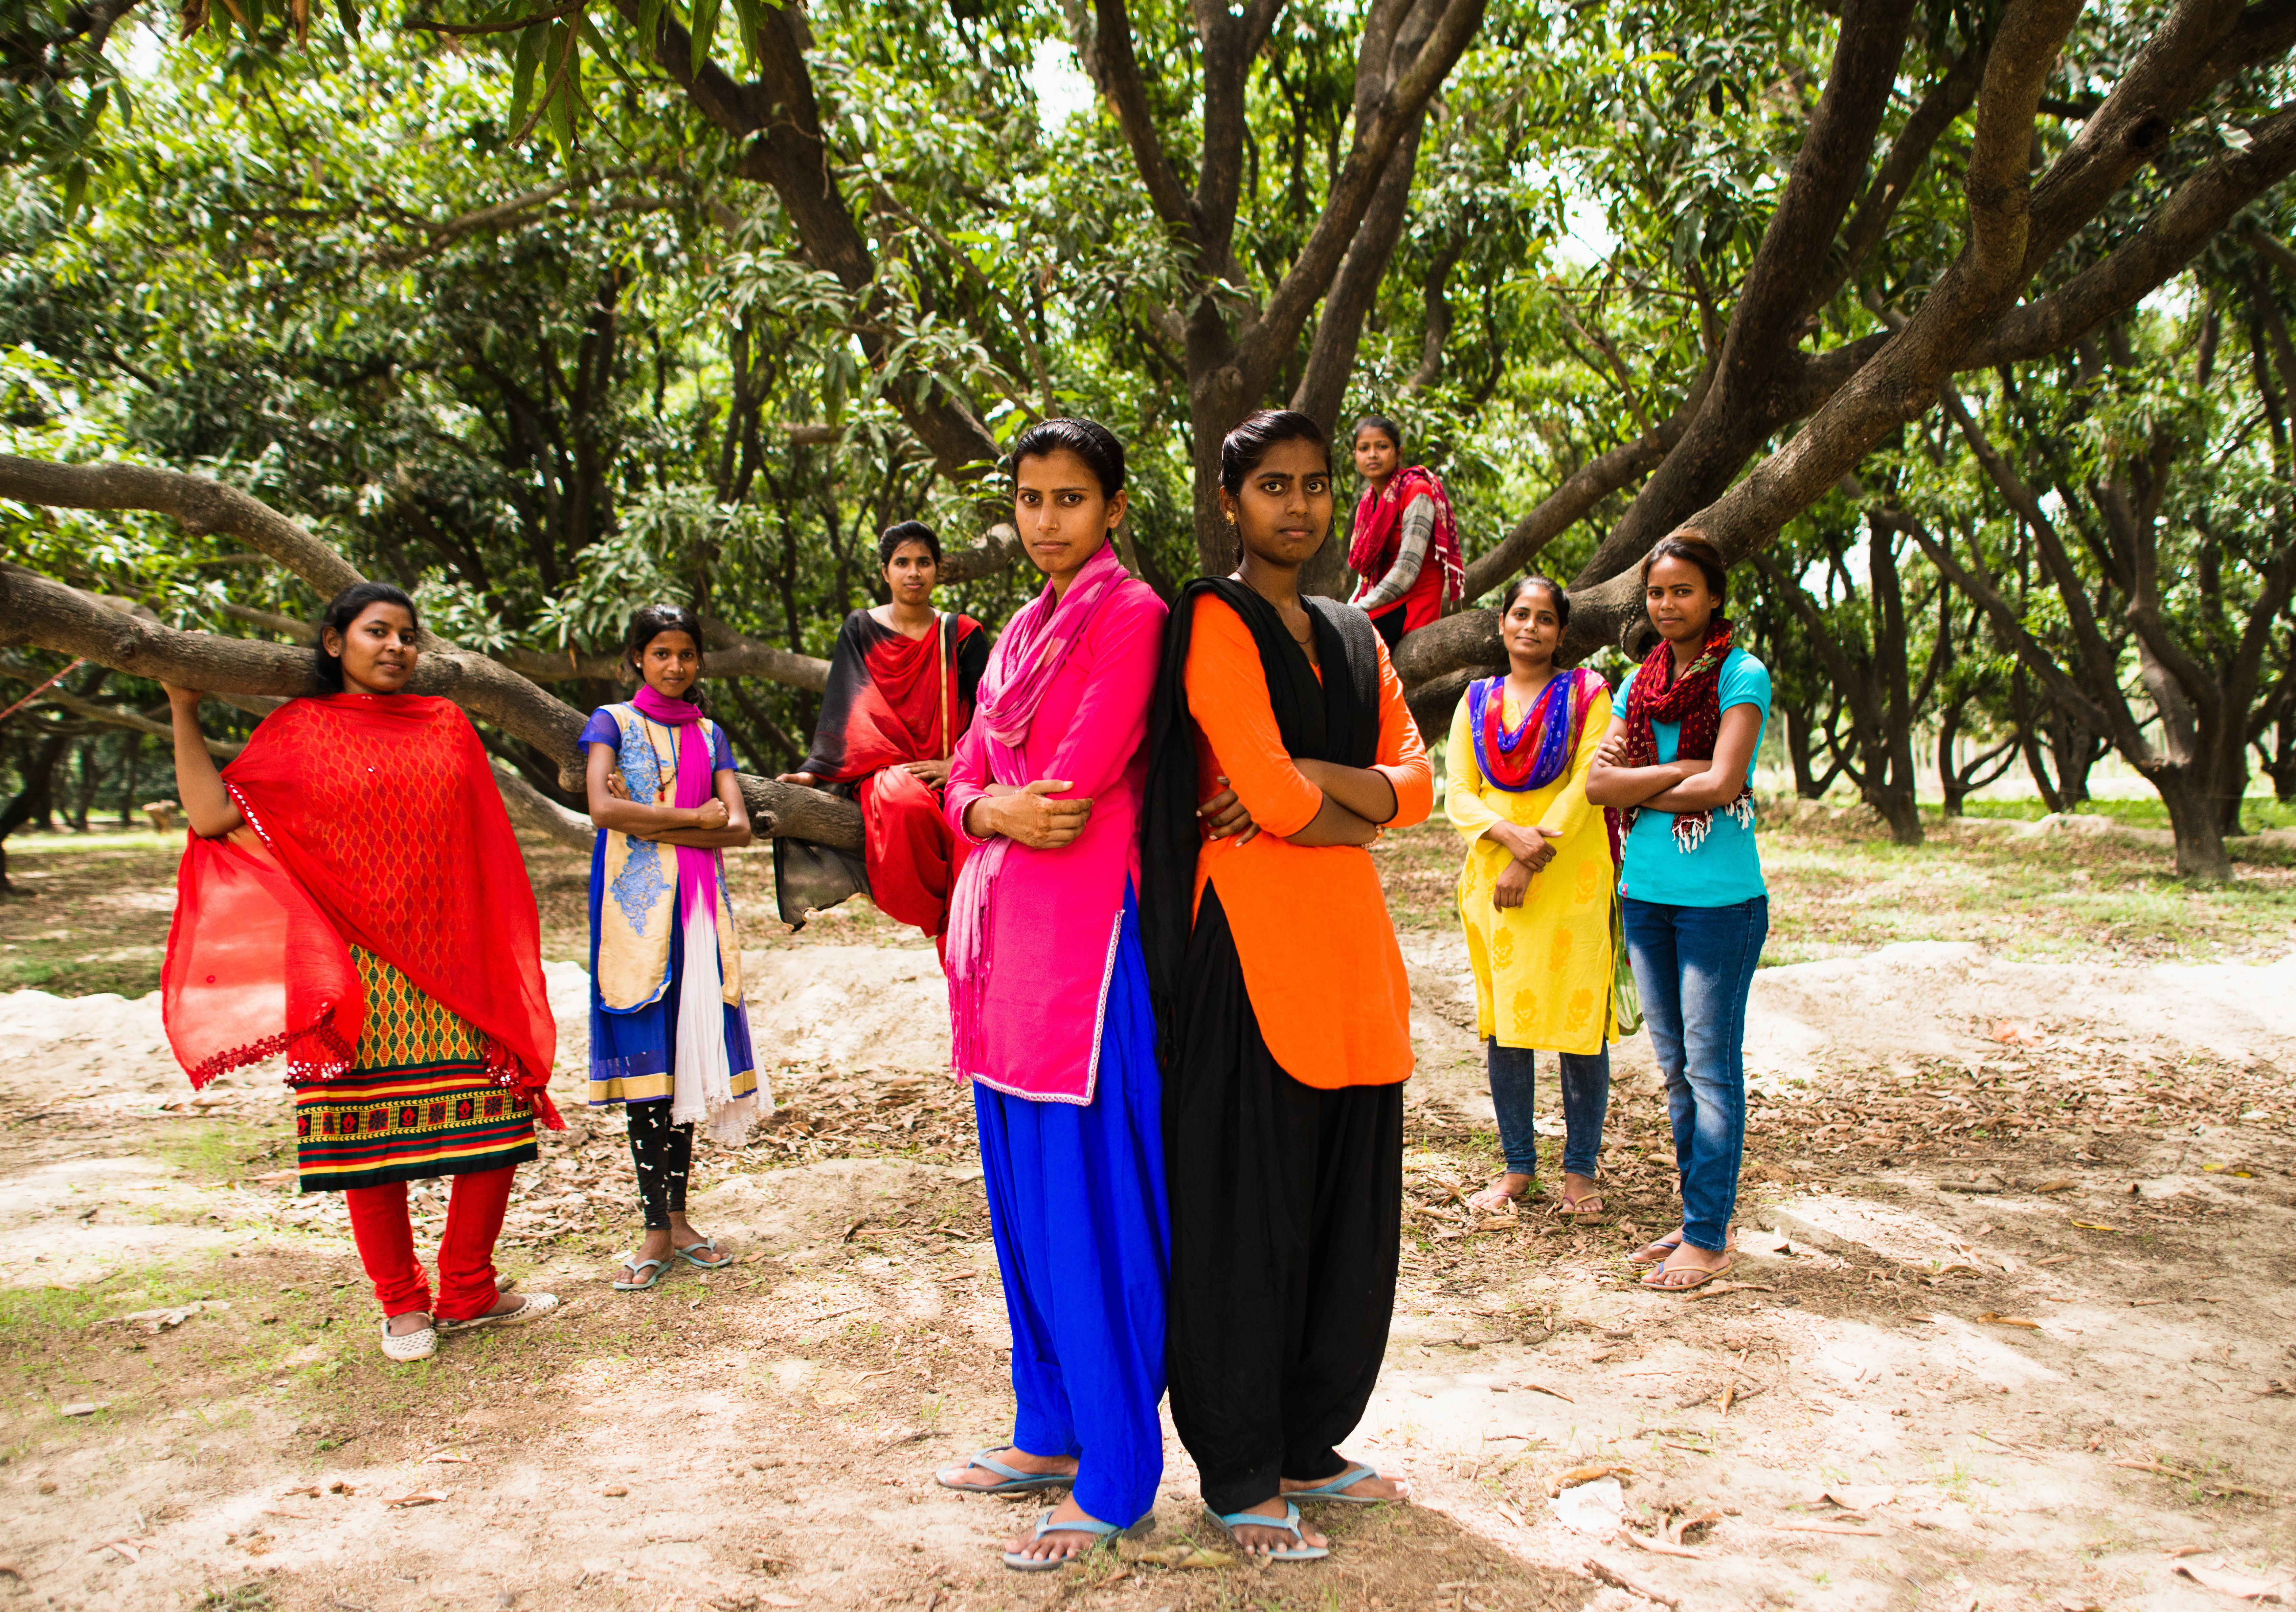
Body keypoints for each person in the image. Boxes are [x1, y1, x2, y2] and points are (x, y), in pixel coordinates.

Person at [1141, 408, 1433, 1563]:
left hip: (1352, 955)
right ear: (1229, 500)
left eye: (1315, 484)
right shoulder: (1208, 617)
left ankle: (1312, 1444)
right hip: (1247, 950)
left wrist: (1323, 780)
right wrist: (1337, 801)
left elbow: (1425, 785)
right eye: (1272, 484)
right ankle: (1241, 1470)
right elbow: (1261, 793)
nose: (1299, 505)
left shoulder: (1353, 633)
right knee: (1243, 1217)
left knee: (1344, 1214)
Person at [160, 582, 560, 1363]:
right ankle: (403, 1304)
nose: (396, 647)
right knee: (364, 1134)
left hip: (454, 960)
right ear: (334, 641)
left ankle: (470, 1287)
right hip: (356, 967)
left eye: (408, 635)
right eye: (377, 631)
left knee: (497, 1119)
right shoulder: (298, 730)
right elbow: (214, 817)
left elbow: (483, 847)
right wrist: (183, 708)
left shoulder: (446, 724)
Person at [928, 419, 1174, 1573]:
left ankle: (1119, 1470)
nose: (1045, 520)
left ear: (1113, 508)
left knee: (1087, 1210)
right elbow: (965, 776)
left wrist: (993, 803)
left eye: (1069, 499)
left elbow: (1073, 782)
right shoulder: (1017, 630)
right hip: (997, 952)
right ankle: (1048, 1429)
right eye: (1028, 499)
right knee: (1022, 1206)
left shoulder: (1132, 618)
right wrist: (985, 810)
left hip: (1080, 950)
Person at [1585, 529, 1770, 1295]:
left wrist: (1648, 783)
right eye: (1656, 593)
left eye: (1682, 591)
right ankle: (1705, 1217)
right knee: (1676, 1072)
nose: (1667, 605)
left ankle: (1706, 1235)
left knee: (1709, 1068)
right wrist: (1682, 773)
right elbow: (1599, 786)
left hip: (1719, 904)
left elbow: (1724, 783)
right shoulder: (1637, 683)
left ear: (1714, 596)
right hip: (1646, 893)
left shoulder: (1741, 673)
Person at [581, 603, 764, 1292]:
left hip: (698, 913)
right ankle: (654, 1225)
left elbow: (739, 825)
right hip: (636, 917)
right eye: (661, 652)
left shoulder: (710, 733)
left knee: (684, 1063)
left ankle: (679, 1220)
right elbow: (603, 809)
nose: (676, 665)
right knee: (647, 1071)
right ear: (636, 657)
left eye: (686, 653)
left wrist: (652, 819)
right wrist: (692, 819)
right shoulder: (611, 722)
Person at [1447, 575, 1617, 1219]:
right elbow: (1458, 792)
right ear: (1501, 624)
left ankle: (1580, 1171)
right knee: (1508, 1029)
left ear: (1562, 633)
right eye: (1520, 614)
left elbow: (1588, 781)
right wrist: (1508, 841)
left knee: (1579, 1031)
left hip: (1568, 875)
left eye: (1545, 619)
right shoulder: (1476, 699)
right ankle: (1519, 1165)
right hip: (1494, 878)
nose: (1531, 627)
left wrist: (1532, 854)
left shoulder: (1587, 694)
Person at [774, 522, 989, 938]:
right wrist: (812, 772)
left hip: (956, 769)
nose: (914, 572)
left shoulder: (961, 634)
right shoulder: (860, 628)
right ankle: (943, 916)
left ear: (938, 569)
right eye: (903, 562)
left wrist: (955, 763)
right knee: (905, 802)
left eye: (924, 562)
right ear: (885, 572)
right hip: (886, 769)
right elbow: (844, 706)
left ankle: (962, 931)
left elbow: (989, 710)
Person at [1345, 413, 1464, 652]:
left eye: (1382, 447)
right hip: (1382, 599)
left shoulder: (1417, 491)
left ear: (1399, 453)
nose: (1372, 455)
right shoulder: (1367, 503)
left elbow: (1407, 570)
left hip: (1413, 597)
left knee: (1346, 638)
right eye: (1363, 448)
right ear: (1355, 455)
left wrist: (1357, 610)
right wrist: (1348, 607)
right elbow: (1364, 574)